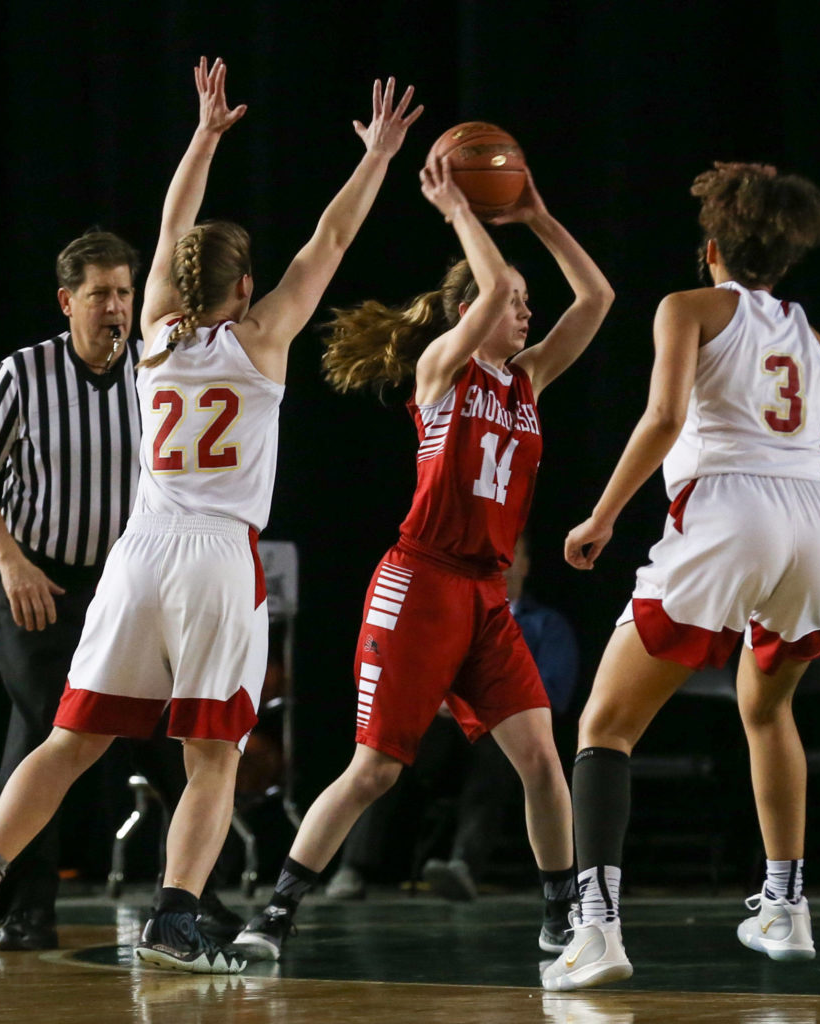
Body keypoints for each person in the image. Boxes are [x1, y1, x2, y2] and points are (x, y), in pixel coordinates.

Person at [0, 56, 422, 977]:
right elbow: (330, 240)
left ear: (175, 282)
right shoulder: (265, 339)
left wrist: (202, 136)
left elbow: (169, 225)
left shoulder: (150, 329)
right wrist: (379, 154)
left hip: (136, 554)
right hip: (215, 561)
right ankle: (173, 916)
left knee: (70, 739)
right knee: (211, 757)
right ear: (243, 291)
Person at [235, 155, 613, 961]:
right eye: (513, 303)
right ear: (473, 310)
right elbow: (481, 296)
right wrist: (461, 216)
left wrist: (539, 217)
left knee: (543, 761)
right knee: (374, 769)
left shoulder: (527, 381)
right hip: (419, 582)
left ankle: (558, 917)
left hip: (484, 597)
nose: (526, 313)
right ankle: (273, 913)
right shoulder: (442, 370)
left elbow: (598, 300)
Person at [542, 162, 820, 992]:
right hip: (816, 525)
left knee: (605, 726)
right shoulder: (818, 346)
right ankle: (786, 907)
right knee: (768, 710)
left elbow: (665, 416)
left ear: (711, 246)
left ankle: (597, 930)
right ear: (782, 258)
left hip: (730, 511)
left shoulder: (686, 307)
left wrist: (602, 516)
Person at [0, 227, 142, 952]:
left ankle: (191, 899)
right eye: (99, 295)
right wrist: (9, 562)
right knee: (43, 730)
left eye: (124, 292)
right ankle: (28, 908)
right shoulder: (23, 374)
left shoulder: (153, 371)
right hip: (39, 580)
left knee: (168, 734)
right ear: (68, 301)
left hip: (125, 585)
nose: (114, 308)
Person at [325, 532, 579, 900]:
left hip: (497, 737)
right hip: (437, 730)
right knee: (384, 753)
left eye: (511, 554)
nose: (502, 562)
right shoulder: (447, 616)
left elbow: (553, 694)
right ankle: (354, 867)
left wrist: (485, 706)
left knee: (504, 755)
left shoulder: (547, 627)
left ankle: (463, 866)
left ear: (525, 565)